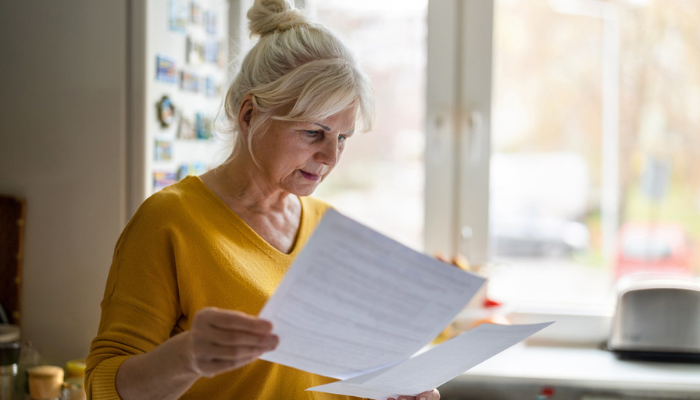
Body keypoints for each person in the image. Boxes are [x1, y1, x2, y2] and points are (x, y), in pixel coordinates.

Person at [85, 1, 440, 399]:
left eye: (342, 138)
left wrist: (392, 391)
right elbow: (104, 385)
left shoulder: (330, 227)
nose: (330, 157)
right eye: (313, 133)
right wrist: (186, 357)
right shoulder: (170, 221)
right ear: (250, 114)